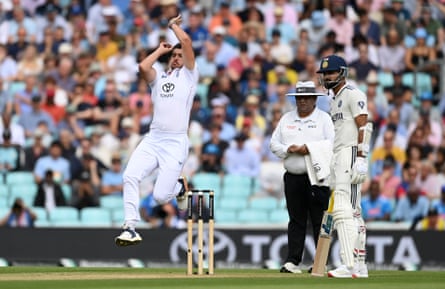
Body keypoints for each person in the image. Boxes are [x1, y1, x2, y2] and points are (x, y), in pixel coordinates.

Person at [115, 14, 199, 246]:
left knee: (161, 197)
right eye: (174, 55)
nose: (176, 58)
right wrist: (160, 51)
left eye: (180, 55)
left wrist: (172, 26)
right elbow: (143, 66)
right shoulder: (159, 78)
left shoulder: (190, 76)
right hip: (153, 139)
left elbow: (188, 43)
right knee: (130, 176)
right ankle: (130, 227)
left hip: (175, 142)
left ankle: (179, 186)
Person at [269, 81, 334, 274]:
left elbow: (331, 144)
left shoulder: (324, 119)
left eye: (307, 97)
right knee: (295, 220)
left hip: (317, 177)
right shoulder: (287, 119)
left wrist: (308, 149)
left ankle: (320, 262)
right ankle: (293, 261)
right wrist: (288, 149)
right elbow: (274, 144)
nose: (303, 101)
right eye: (300, 98)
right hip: (293, 176)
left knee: (318, 221)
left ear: (314, 99)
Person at [316, 54, 370, 278]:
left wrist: (361, 157)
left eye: (331, 72)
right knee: (354, 211)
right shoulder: (332, 99)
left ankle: (349, 265)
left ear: (343, 72)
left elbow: (364, 126)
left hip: (350, 153)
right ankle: (359, 264)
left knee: (343, 208)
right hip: (340, 155)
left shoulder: (353, 94)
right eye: (325, 73)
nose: (327, 76)